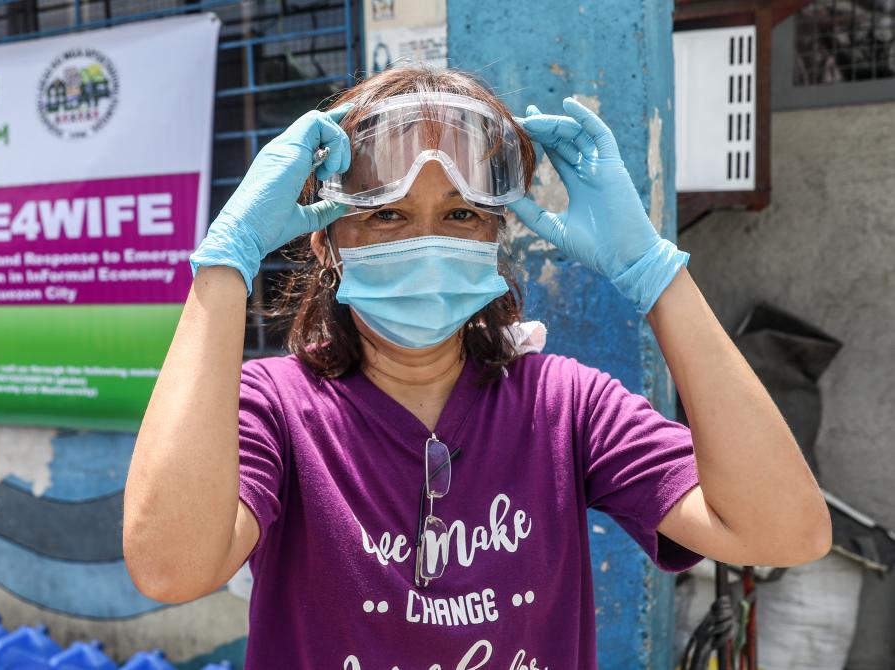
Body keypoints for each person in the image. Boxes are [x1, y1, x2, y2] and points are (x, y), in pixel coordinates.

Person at [122, 65, 830, 669]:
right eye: (390, 216)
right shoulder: (273, 410)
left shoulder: (565, 406)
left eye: (461, 215)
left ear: (497, 233)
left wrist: (654, 275)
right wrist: (225, 265)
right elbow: (169, 567)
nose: (426, 241)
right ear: (329, 237)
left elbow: (782, 531)